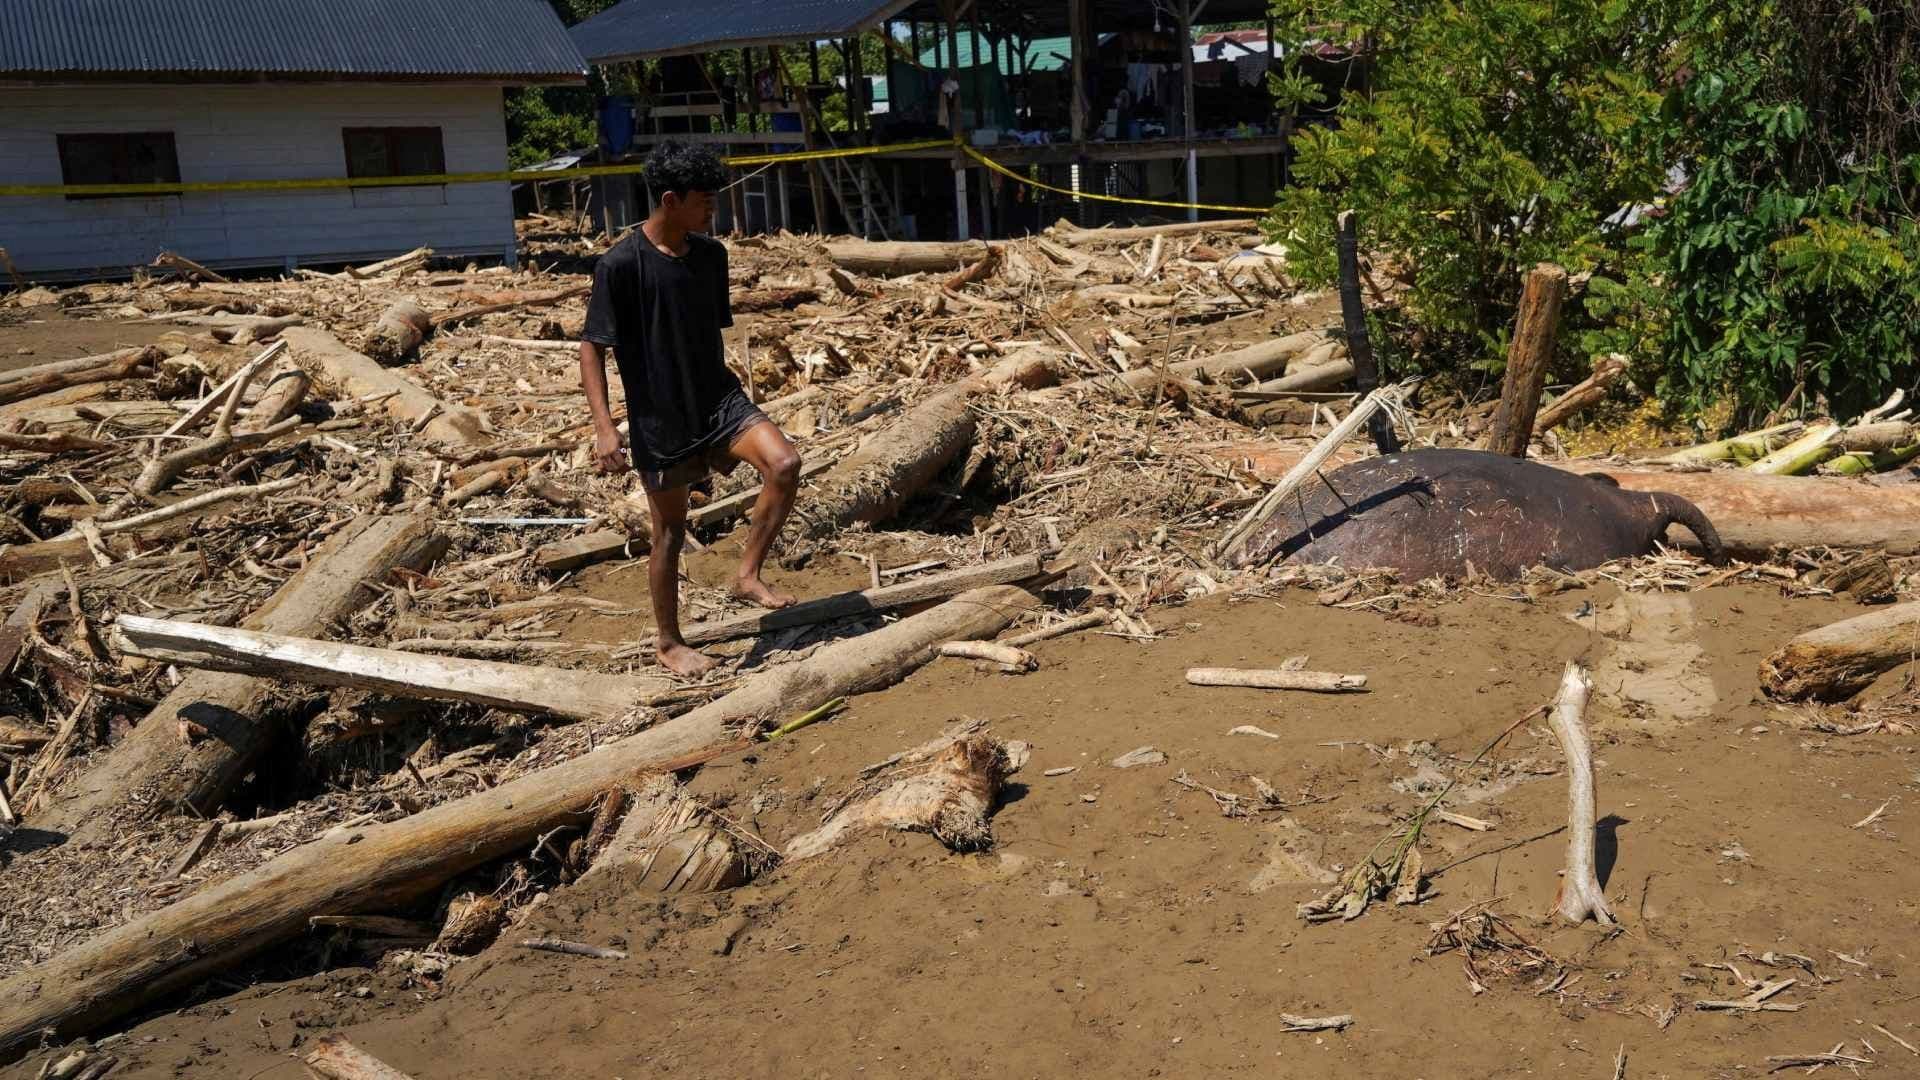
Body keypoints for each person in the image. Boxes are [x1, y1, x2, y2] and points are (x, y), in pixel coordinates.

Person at [579, 141, 801, 678]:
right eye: (705, 201)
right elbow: (592, 346)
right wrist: (606, 428)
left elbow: (701, 333)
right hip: (661, 416)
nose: (712, 211)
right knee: (670, 533)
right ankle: (669, 642)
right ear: (671, 199)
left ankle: (746, 574)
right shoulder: (621, 265)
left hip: (718, 401)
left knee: (785, 464)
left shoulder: (711, 257)